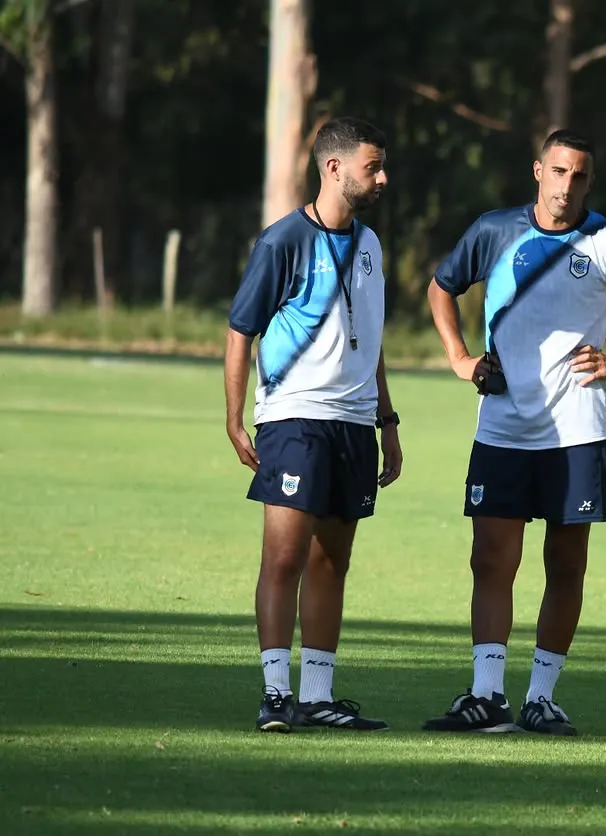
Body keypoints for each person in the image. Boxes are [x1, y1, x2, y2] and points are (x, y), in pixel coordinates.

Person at [422, 129, 606, 735]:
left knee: (565, 565)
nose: (567, 185)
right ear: (537, 171)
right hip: (503, 427)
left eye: (580, 175)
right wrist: (461, 358)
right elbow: (442, 287)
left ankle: (542, 698)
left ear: (590, 183)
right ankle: (487, 696)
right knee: (491, 559)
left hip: (576, 430)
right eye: (558, 171)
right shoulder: (495, 229)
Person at [224, 117, 403, 733]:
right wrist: (234, 415)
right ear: (333, 168)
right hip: (295, 418)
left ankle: (319, 696)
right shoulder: (283, 240)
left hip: (354, 425)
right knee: (284, 556)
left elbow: (373, 341)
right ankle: (277, 694)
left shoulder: (374, 246)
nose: (382, 177)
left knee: (334, 561)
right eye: (372, 166)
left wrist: (388, 421)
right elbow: (240, 329)